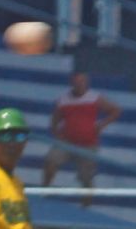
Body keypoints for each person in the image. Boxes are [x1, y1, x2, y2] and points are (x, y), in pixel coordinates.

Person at [43, 72, 120, 205]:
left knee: (86, 178)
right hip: (67, 142)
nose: (79, 85)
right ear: (72, 83)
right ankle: (44, 191)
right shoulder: (63, 100)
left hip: (88, 143)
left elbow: (115, 110)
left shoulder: (95, 97)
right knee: (50, 161)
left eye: (82, 82)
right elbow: (55, 119)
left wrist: (102, 124)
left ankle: (86, 207)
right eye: (77, 82)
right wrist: (56, 133)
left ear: (87, 83)